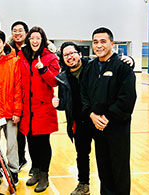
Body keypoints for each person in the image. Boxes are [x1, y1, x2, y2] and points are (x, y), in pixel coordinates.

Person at [53, 42, 134, 195]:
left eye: (72, 53)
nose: (70, 57)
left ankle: (110, 188)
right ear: (62, 59)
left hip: (96, 119)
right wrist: (58, 104)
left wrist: (130, 60)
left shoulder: (92, 66)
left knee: (105, 156)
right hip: (79, 120)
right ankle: (83, 184)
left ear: (79, 54)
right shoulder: (62, 77)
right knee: (82, 155)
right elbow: (64, 102)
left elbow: (112, 64)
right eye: (66, 55)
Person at [80, 27, 136, 195]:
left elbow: (127, 100)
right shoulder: (89, 68)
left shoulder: (123, 68)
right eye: (95, 42)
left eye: (103, 41)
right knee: (103, 169)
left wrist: (107, 118)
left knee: (119, 170)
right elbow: (83, 95)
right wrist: (91, 114)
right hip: (97, 127)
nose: (99, 45)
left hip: (117, 128)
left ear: (112, 43)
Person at [18, 26, 60, 193]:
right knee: (31, 143)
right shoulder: (22, 56)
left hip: (42, 108)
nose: (35, 41)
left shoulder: (50, 58)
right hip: (27, 108)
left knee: (43, 143)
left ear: (43, 40)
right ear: (28, 40)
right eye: (32, 38)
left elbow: (55, 81)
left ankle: (44, 175)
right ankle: (35, 171)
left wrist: (43, 69)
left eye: (38, 38)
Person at [0, 30, 22, 185]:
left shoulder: (14, 61)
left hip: (10, 112)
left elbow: (17, 88)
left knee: (12, 145)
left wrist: (17, 111)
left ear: (4, 43)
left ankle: (13, 171)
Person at [10, 21, 30, 171]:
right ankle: (21, 158)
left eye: (20, 30)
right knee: (17, 132)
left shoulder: (32, 49)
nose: (17, 33)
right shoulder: (7, 49)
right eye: (14, 31)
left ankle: (36, 165)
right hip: (14, 95)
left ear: (26, 33)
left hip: (30, 95)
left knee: (31, 131)